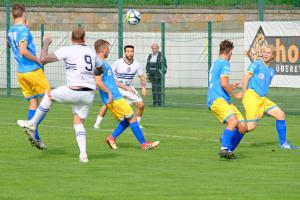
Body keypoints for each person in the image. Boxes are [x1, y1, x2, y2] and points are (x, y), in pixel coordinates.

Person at [17, 28, 98, 163]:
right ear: (84, 39)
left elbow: (42, 59)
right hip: (89, 94)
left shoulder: (68, 49)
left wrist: (46, 43)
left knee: (49, 94)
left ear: (71, 40)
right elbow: (99, 68)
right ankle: (83, 155)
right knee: (78, 123)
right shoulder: (91, 52)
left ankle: (32, 124)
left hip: (74, 91)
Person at [93, 39, 160, 150]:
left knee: (127, 119)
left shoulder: (103, 64)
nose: (109, 51)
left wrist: (126, 88)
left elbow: (111, 81)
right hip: (114, 97)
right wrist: (109, 93)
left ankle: (111, 138)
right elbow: (98, 81)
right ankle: (144, 144)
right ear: (103, 49)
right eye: (108, 49)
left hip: (116, 95)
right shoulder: (99, 64)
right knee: (132, 118)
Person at [7, 4, 50, 150]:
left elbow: (9, 45)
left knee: (33, 103)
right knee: (50, 97)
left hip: (21, 73)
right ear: (24, 14)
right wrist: (38, 60)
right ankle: (32, 125)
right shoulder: (23, 30)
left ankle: (36, 138)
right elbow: (23, 51)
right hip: (32, 71)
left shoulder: (11, 30)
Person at [242, 44, 297, 149]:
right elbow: (246, 79)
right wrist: (244, 95)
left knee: (280, 114)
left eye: (268, 53)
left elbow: (263, 87)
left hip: (262, 99)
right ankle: (229, 135)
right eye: (264, 52)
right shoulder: (256, 64)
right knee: (251, 126)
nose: (265, 54)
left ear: (273, 56)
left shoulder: (271, 71)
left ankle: (283, 144)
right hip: (252, 96)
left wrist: (263, 109)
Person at [207, 40, 247, 159]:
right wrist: (235, 94)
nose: (231, 56)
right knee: (233, 121)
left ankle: (227, 147)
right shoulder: (225, 63)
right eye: (231, 53)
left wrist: (231, 87)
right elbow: (224, 84)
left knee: (242, 126)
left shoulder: (216, 63)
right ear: (229, 52)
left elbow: (221, 83)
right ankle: (224, 148)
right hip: (217, 99)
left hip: (224, 99)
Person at [93, 45, 147, 129]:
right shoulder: (118, 63)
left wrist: (143, 87)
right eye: (128, 51)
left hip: (128, 88)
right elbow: (107, 73)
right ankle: (96, 124)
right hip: (117, 87)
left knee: (141, 105)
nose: (130, 53)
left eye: (131, 51)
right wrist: (98, 82)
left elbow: (142, 77)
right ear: (125, 52)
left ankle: (136, 124)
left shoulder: (136, 64)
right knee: (107, 104)